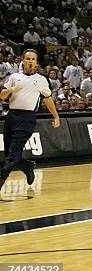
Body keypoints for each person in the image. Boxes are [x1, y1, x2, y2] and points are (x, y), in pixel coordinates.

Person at [0, 49, 60, 191]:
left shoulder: (41, 79)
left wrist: (56, 116)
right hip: (11, 116)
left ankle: (1, 180)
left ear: (36, 62)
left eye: (33, 59)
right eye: (28, 59)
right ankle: (27, 166)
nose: (30, 61)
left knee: (14, 152)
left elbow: (48, 99)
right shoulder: (14, 76)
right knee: (10, 154)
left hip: (27, 118)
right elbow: (2, 96)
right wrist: (11, 90)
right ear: (23, 60)